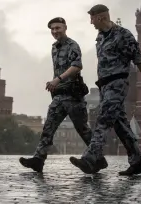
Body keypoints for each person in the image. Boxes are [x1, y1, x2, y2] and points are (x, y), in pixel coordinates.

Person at [69, 4, 141, 176]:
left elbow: (138, 58)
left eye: (92, 18)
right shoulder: (100, 36)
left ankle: (90, 159)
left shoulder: (123, 35)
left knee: (103, 120)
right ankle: (137, 162)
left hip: (117, 83)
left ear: (101, 17)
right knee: (120, 125)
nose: (90, 22)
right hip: (104, 85)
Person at [19, 17, 107, 172]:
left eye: (58, 28)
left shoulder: (72, 45)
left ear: (65, 27)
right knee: (48, 128)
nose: (55, 31)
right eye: (52, 29)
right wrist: (55, 85)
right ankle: (38, 159)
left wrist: (57, 80)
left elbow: (77, 66)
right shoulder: (54, 48)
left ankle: (98, 159)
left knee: (82, 129)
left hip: (73, 95)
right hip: (60, 96)